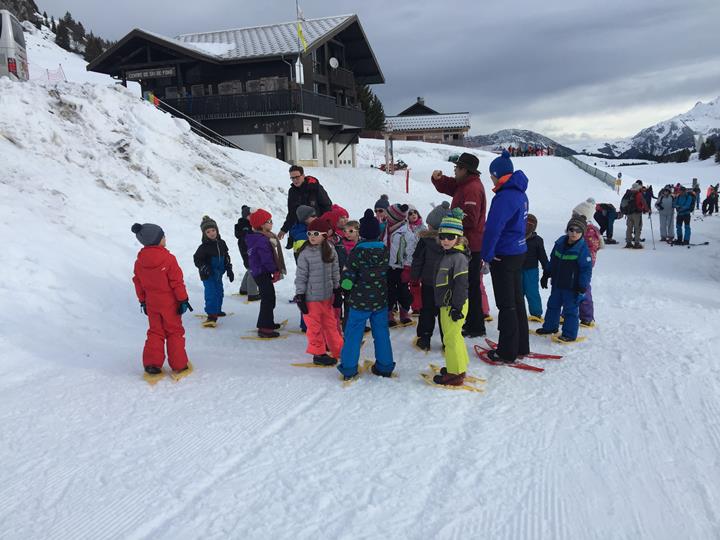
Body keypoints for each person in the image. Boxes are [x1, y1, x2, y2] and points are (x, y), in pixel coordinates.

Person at [431, 152, 487, 338]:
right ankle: (471, 322)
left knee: (469, 285)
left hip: (470, 244)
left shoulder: (472, 188)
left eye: (457, 167)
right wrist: (438, 180)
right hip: (465, 243)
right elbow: (452, 186)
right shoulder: (465, 184)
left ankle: (475, 325)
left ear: (465, 170)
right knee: (466, 284)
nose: (454, 170)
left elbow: (470, 218)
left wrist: (451, 220)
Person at [480, 151, 530, 363]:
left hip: (505, 254)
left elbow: (493, 228)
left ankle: (507, 351)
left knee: (506, 304)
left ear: (498, 175)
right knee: (517, 301)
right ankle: (521, 345)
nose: (490, 179)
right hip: (518, 251)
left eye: (491, 175)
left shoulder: (504, 197)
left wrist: (487, 255)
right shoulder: (519, 192)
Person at [338, 209, 395, 380]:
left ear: (361, 232)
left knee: (353, 334)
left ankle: (348, 368)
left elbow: (348, 276)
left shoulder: (357, 251)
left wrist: (345, 289)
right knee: (382, 333)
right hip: (379, 300)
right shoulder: (384, 250)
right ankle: (385, 366)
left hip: (359, 302)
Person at [131, 222, 192, 375]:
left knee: (155, 331)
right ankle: (179, 364)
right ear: (156, 239)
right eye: (163, 236)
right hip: (169, 303)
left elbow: (138, 283)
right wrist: (183, 299)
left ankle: (152, 363)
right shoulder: (169, 259)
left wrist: (143, 301)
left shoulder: (139, 262)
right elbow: (177, 282)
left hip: (152, 304)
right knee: (174, 331)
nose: (165, 238)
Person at [294, 217, 344, 366]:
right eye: (309, 234)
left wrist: (337, 289)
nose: (312, 237)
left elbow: (335, 271)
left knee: (331, 324)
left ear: (324, 235)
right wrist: (300, 295)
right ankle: (318, 353)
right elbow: (301, 276)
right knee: (314, 328)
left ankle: (339, 349)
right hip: (311, 298)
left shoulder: (330, 249)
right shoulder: (305, 253)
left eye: (316, 233)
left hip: (327, 297)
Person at [536, 215, 592, 342]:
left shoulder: (582, 249)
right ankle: (550, 327)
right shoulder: (560, 243)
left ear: (582, 233)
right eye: (571, 229)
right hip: (557, 283)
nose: (574, 233)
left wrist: (582, 286)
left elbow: (586, 269)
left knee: (570, 310)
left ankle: (569, 334)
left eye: (578, 231)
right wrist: (546, 274)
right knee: (553, 305)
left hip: (572, 287)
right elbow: (553, 260)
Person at [431, 209, 471, 386]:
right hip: (447, 304)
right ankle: (459, 366)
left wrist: (456, 307)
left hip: (453, 304)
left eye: (450, 236)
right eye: (442, 236)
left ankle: (455, 374)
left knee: (451, 339)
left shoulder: (458, 258)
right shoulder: (448, 255)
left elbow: (461, 284)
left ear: (458, 238)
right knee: (454, 336)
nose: (445, 240)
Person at [411, 201, 449, 351]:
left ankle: (424, 338)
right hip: (446, 283)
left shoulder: (425, 240)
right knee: (444, 312)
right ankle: (447, 340)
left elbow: (417, 259)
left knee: (427, 310)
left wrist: (414, 276)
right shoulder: (451, 241)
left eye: (430, 225)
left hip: (428, 282)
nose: (428, 227)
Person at [246, 209, 286, 338]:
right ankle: (264, 327)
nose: (272, 223)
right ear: (261, 225)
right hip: (261, 272)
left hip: (260, 272)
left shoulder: (261, 237)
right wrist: (274, 270)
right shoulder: (262, 240)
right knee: (268, 299)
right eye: (269, 221)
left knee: (269, 297)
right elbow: (266, 259)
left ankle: (268, 322)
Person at [193, 216, 233, 328]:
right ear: (204, 233)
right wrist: (205, 268)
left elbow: (226, 257)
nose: (211, 233)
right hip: (208, 274)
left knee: (219, 291)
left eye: (213, 230)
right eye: (208, 231)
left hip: (218, 273)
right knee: (211, 293)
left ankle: (217, 310)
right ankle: (211, 315)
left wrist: (229, 269)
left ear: (217, 230)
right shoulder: (203, 247)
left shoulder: (222, 243)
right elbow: (197, 259)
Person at [277, 165, 333, 244]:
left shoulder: (315, 187)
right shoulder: (292, 192)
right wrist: (284, 229)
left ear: (303, 175)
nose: (295, 180)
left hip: (317, 227)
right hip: (301, 229)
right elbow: (292, 212)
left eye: (297, 177)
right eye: (292, 178)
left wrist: (328, 226)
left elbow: (327, 206)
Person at [571, 199, 604, 327]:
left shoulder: (589, 231)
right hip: (574, 263)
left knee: (583, 288)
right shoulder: (579, 228)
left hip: (584, 265)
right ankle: (567, 312)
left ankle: (587, 316)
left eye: (575, 215)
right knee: (569, 287)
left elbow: (590, 250)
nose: (572, 218)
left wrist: (582, 261)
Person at [385, 203, 415, 327]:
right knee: (389, 291)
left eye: (388, 215)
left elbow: (410, 251)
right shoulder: (386, 229)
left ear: (395, 217)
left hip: (401, 268)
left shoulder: (406, 232)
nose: (386, 217)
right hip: (388, 266)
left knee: (403, 291)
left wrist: (407, 268)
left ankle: (404, 311)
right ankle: (389, 312)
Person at [522, 214, 548, 323]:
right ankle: (517, 311)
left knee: (532, 291)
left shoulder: (537, 240)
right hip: (516, 268)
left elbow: (542, 256)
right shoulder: (516, 237)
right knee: (517, 292)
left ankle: (536, 313)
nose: (527, 227)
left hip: (531, 270)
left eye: (530, 225)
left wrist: (547, 270)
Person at [235, 205, 259, 301]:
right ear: (246, 216)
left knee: (250, 268)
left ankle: (244, 289)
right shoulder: (245, 225)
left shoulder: (249, 224)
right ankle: (252, 294)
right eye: (251, 215)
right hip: (247, 249)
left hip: (248, 249)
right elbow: (246, 237)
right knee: (253, 269)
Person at [407, 204, 427, 315]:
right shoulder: (405, 229)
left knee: (423, 284)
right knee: (413, 284)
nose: (413, 215)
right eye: (410, 214)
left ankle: (424, 304)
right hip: (409, 261)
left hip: (421, 260)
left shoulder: (423, 228)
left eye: (415, 212)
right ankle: (416, 306)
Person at [620, 181, 648, 249]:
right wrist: (647, 210)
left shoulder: (628, 193)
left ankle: (628, 242)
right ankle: (636, 243)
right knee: (637, 228)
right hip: (637, 213)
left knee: (629, 228)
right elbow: (644, 203)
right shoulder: (638, 194)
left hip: (629, 213)